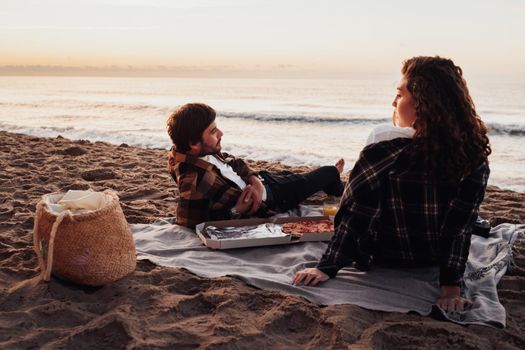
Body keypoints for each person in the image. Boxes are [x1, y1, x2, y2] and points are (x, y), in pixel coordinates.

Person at [293, 56, 491, 313]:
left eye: (400, 94)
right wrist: (450, 287)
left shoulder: (383, 146)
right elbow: (459, 228)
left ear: (424, 101)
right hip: (429, 258)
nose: (393, 102)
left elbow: (357, 213)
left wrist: (327, 266)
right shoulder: (472, 155)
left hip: (379, 255)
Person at [167, 103, 345, 228]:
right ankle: (338, 186)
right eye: (213, 131)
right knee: (327, 172)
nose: (221, 133)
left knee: (290, 174)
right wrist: (236, 211)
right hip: (274, 196)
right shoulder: (193, 179)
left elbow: (234, 162)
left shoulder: (197, 151)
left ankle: (324, 183)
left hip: (262, 180)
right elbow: (189, 221)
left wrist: (255, 180)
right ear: (193, 143)